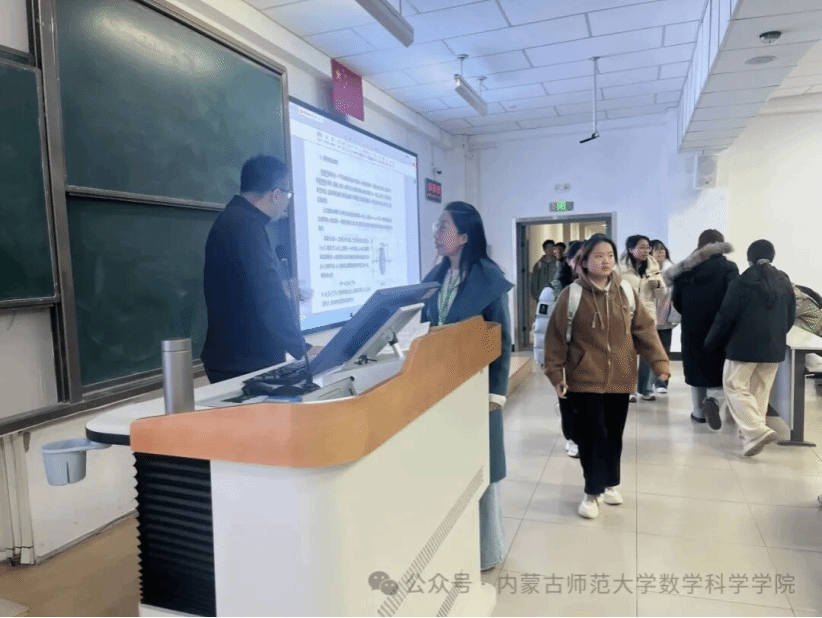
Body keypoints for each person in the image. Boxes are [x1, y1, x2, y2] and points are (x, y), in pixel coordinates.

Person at [543, 234, 670, 519]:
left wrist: (659, 362)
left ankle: (611, 483)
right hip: (583, 377)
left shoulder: (625, 291)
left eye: (610, 256)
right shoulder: (572, 295)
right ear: (584, 261)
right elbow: (555, 338)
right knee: (592, 436)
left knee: (613, 434)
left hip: (620, 377)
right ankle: (592, 491)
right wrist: (555, 374)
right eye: (598, 256)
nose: (606, 261)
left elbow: (644, 329)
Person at [421, 201, 513, 571]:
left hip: (477, 388)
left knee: (484, 468)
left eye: (443, 225)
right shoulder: (436, 275)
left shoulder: (488, 277)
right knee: (453, 468)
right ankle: (456, 548)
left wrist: (496, 392)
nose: (436, 232)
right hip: (442, 389)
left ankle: (488, 552)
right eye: (437, 225)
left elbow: (502, 337)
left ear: (463, 236)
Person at [201, 155, 311, 384]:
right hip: (243, 363)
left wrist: (284, 290)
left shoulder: (235, 219)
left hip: (234, 358)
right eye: (288, 195)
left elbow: (246, 288)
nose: (287, 203)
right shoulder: (246, 226)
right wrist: (302, 349)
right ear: (276, 194)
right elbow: (267, 294)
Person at [705, 240, 795, 456]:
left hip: (743, 347)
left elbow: (725, 316)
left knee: (733, 386)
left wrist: (712, 341)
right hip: (774, 347)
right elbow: (790, 315)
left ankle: (755, 432)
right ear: (772, 256)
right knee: (759, 391)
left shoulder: (742, 281)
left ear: (749, 258)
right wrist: (776, 336)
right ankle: (749, 437)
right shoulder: (784, 281)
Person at [663, 230, 738, 429]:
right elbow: (733, 297)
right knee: (718, 368)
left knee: (696, 369)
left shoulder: (686, 268)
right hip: (719, 326)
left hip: (692, 326)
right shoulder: (728, 267)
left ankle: (698, 413)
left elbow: (677, 300)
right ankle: (713, 400)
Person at [619, 235, 666, 402]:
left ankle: (645, 388)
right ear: (631, 249)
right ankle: (628, 389)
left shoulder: (653, 266)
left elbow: (662, 294)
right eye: (641, 247)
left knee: (648, 353)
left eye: (647, 247)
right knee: (628, 353)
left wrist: (657, 284)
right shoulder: (619, 268)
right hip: (626, 315)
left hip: (647, 315)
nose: (646, 251)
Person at [650, 240, 678, 393]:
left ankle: (662, 383)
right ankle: (647, 384)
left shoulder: (672, 270)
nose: (660, 252)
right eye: (656, 250)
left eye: (662, 249)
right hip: (649, 317)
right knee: (650, 352)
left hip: (666, 316)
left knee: (664, 351)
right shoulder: (646, 271)